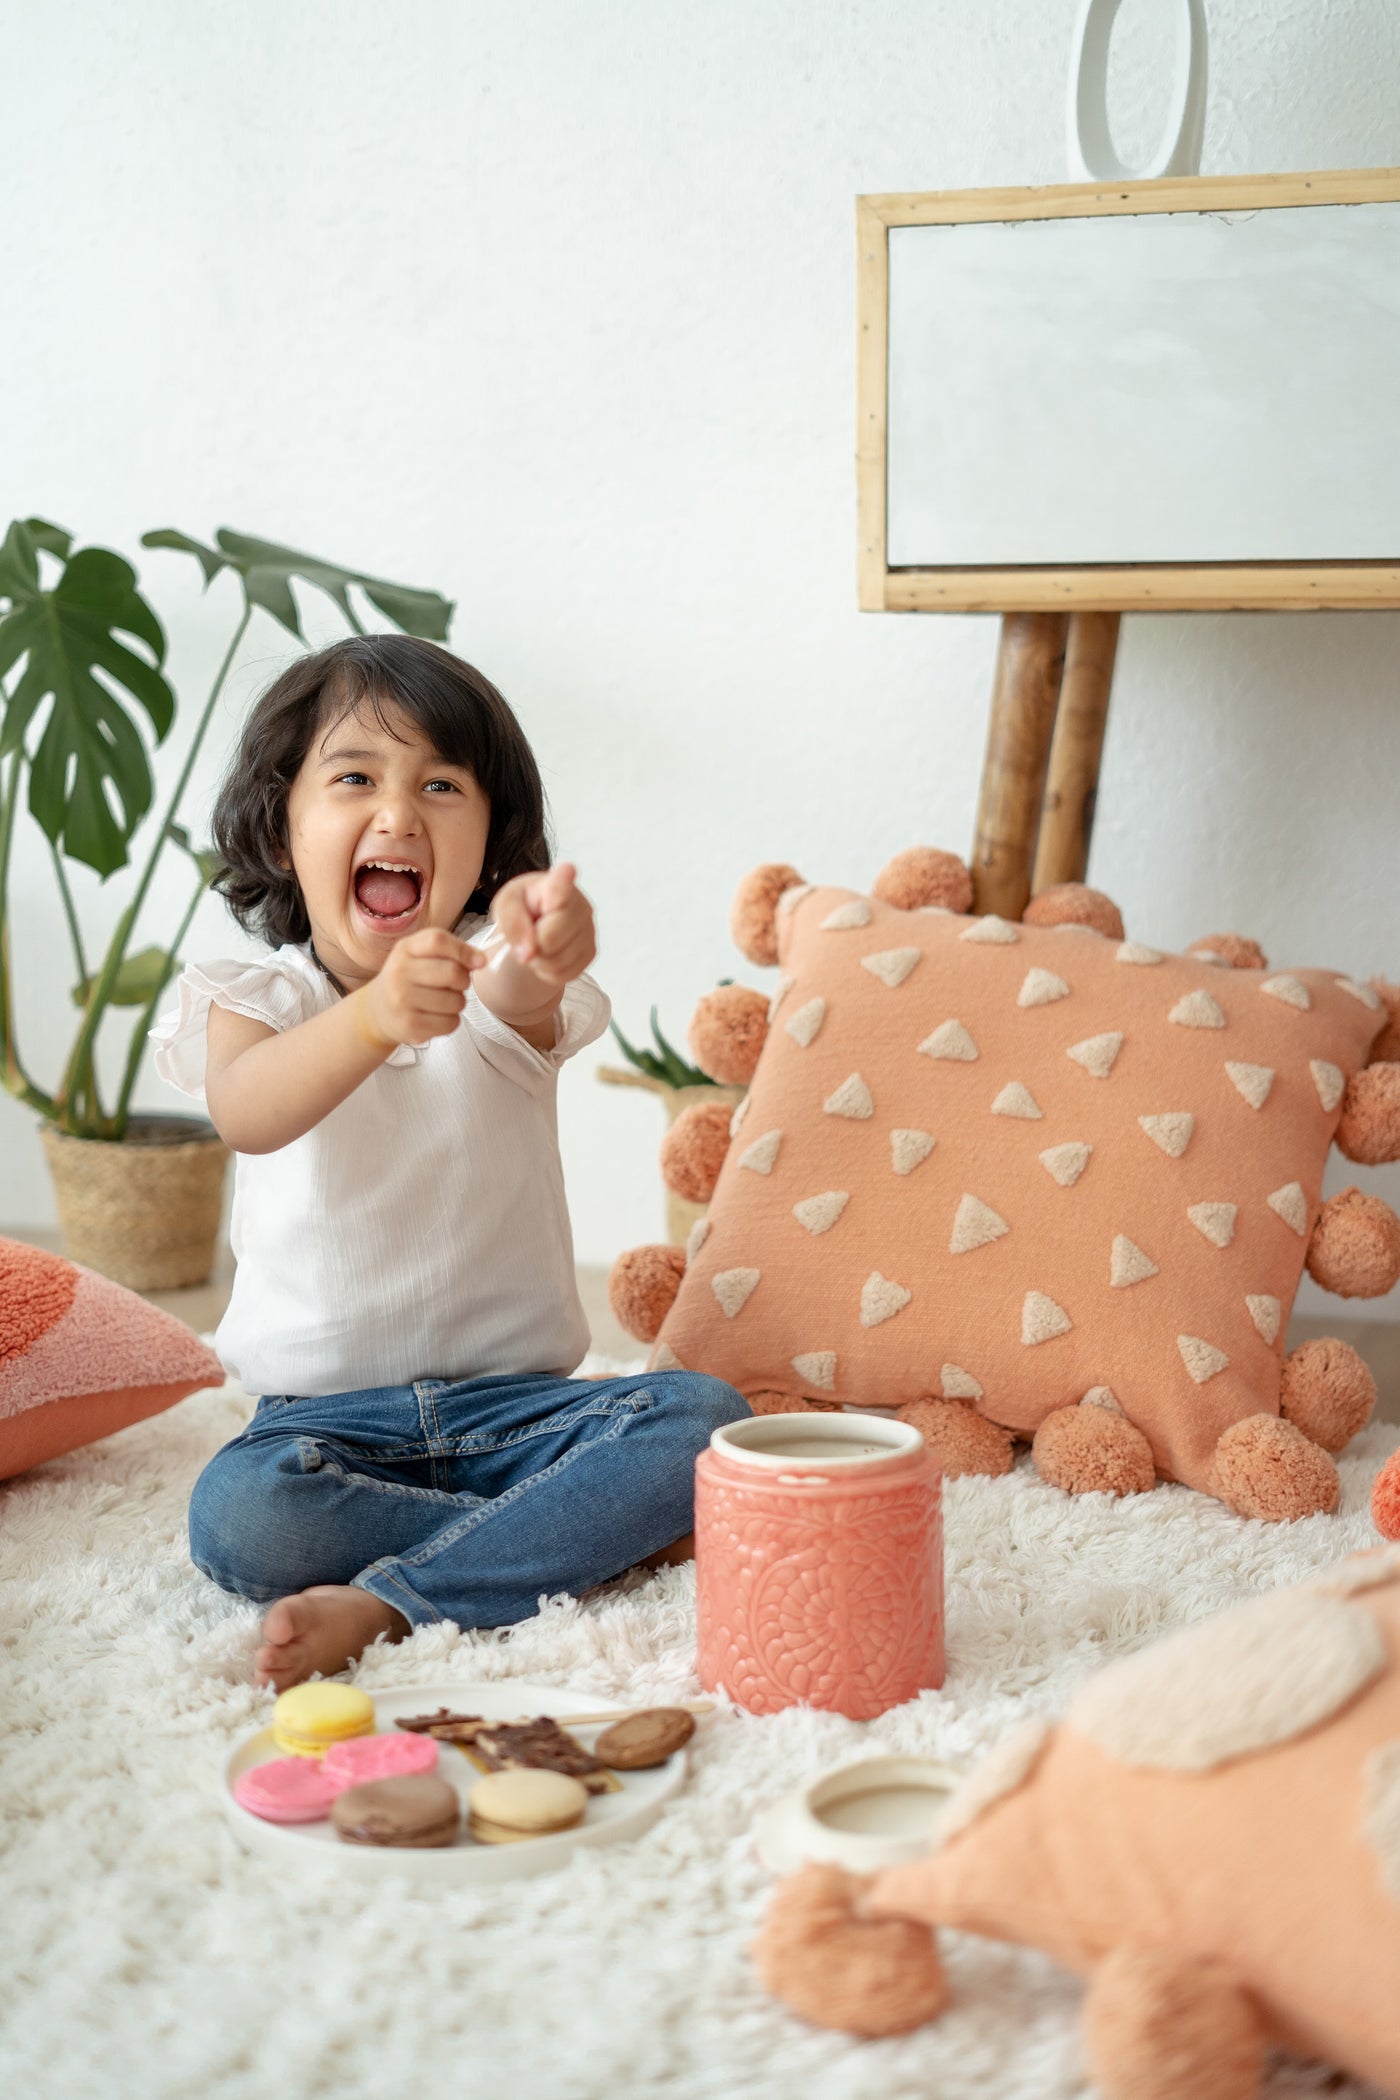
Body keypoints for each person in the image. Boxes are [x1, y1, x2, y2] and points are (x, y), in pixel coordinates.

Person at [152, 634, 749, 1690]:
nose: (397, 813)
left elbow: (520, 987)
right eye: (353, 779)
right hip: (320, 1432)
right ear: (283, 830)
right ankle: (568, 1536)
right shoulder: (257, 1000)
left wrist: (543, 943)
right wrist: (375, 1016)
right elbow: (249, 1111)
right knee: (239, 1522)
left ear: (487, 844)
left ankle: (395, 1600)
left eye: (440, 783)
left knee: (701, 1420)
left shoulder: (496, 996)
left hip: (520, 1412)